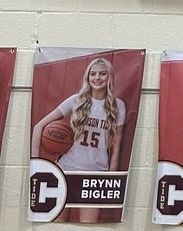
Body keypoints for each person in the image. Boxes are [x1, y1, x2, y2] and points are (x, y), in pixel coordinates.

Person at [31, 56, 126, 224]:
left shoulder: (118, 106)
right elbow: (38, 127)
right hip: (66, 170)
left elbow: (116, 149)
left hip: (96, 174)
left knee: (89, 226)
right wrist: (37, 166)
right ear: (87, 77)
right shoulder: (76, 100)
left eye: (102, 74)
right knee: (57, 226)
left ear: (109, 77)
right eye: (93, 74)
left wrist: (111, 179)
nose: (97, 78)